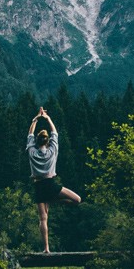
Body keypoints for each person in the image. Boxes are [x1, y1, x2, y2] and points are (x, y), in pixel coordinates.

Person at [27, 107, 82, 253]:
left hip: (39, 187)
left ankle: (46, 248)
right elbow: (55, 133)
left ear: (37, 141)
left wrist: (35, 119)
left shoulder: (32, 151)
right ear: (47, 141)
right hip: (51, 185)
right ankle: (54, 201)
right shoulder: (52, 151)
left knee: (43, 219)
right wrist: (47, 118)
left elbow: (30, 135)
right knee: (77, 200)